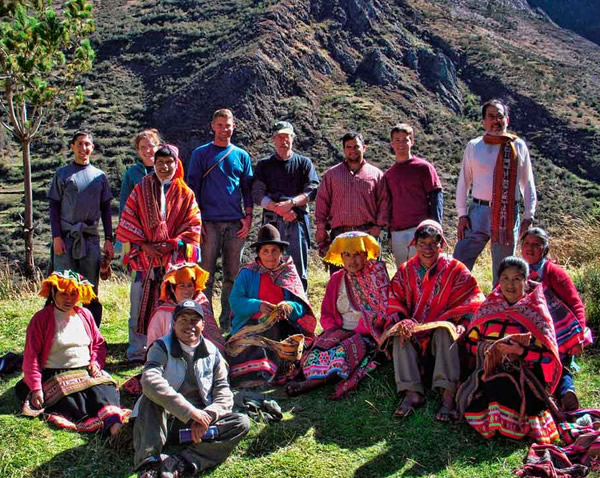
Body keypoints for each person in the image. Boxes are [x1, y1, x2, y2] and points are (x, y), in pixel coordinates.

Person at [133, 300, 250, 478]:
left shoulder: (212, 352)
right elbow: (149, 380)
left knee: (241, 423)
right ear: (174, 323)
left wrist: (207, 416)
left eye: (195, 320)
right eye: (183, 320)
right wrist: (190, 412)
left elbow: (224, 392)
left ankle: (181, 462)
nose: (190, 326)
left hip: (197, 427)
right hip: (164, 422)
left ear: (203, 324)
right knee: (151, 399)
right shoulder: (161, 347)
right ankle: (149, 463)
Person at [381, 220, 484, 421]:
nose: (427, 249)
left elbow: (473, 300)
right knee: (400, 332)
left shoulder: (456, 269)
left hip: (443, 336)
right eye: (422, 243)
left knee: (444, 330)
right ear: (415, 244)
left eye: (433, 244)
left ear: (441, 245)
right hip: (416, 331)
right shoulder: (406, 270)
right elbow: (395, 299)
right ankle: (412, 392)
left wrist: (462, 324)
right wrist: (403, 320)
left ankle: (448, 394)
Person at [457, 257, 562, 444]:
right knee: (490, 385)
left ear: (525, 281)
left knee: (504, 385)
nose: (510, 285)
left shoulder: (536, 312)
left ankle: (506, 427)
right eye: (505, 278)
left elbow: (548, 357)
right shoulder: (490, 308)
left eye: (516, 279)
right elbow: (470, 344)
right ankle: (497, 425)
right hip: (490, 369)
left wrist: (521, 352)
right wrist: (488, 349)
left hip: (526, 374)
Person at [116, 145, 202, 363]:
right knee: (139, 303)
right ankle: (137, 351)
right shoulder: (141, 189)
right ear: (153, 164)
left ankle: (172, 346)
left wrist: (174, 243)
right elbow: (128, 220)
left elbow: (193, 224)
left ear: (176, 163)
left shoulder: (185, 193)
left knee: (172, 303)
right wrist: (144, 245)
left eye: (169, 162)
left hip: (174, 259)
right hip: (146, 259)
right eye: (160, 162)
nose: (165, 167)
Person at [17, 270, 129, 435]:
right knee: (74, 401)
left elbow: (98, 344)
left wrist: (95, 364)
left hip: (86, 371)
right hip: (56, 372)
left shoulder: (85, 315)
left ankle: (115, 427)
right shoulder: (41, 319)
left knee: (104, 390)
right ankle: (111, 430)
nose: (69, 299)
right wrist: (36, 388)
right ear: (53, 292)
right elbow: (31, 357)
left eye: (74, 293)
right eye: (63, 293)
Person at [286, 232, 394, 399]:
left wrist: (356, 331)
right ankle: (310, 375)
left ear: (365, 254)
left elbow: (382, 312)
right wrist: (334, 332)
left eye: (357, 254)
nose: (352, 260)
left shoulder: (376, 276)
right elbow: (327, 313)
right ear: (341, 257)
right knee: (317, 350)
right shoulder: (337, 278)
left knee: (344, 352)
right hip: (339, 330)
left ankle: (310, 384)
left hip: (367, 334)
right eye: (347, 255)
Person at [453, 99, 537, 285]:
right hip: (477, 212)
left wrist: (528, 215)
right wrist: (462, 215)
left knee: (503, 269)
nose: (496, 121)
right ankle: (458, 304)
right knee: (460, 261)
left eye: (500, 116)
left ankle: (499, 309)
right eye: (491, 117)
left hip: (507, 214)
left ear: (507, 119)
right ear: (483, 121)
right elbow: (464, 181)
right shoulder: (474, 146)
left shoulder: (518, 146)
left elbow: (527, 182)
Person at [187, 109, 254, 332]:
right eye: (220, 125)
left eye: (228, 125)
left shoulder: (242, 156)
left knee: (233, 276)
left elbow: (247, 189)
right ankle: (205, 322)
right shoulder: (201, 154)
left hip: (235, 223)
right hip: (208, 223)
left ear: (234, 126)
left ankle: (229, 323)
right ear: (212, 126)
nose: (225, 129)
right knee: (205, 274)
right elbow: (192, 189)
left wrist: (249, 217)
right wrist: (196, 223)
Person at [225, 224, 316, 388]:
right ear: (258, 253)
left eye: (274, 250)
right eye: (265, 251)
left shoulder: (288, 272)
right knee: (251, 343)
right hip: (251, 324)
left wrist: (289, 307)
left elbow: (302, 307)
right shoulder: (247, 273)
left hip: (283, 326)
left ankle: (270, 373)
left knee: (285, 340)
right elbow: (236, 302)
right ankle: (255, 375)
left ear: (281, 252)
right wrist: (257, 306)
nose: (270, 256)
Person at [521, 227, 592, 410]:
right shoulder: (516, 269)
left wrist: (577, 338)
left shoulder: (553, 273)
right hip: (527, 328)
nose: (530, 248)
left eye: (536, 245)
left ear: (544, 249)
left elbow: (575, 304)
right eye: (526, 244)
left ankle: (566, 392)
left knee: (555, 358)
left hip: (556, 331)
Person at [48, 130, 114, 326]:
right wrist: (56, 237)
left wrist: (108, 240)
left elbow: (106, 209)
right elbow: (54, 207)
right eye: (79, 144)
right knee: (62, 286)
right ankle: (57, 332)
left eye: (87, 144)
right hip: (66, 239)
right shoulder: (62, 174)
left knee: (89, 289)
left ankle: (90, 333)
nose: (83, 148)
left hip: (90, 240)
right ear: (72, 147)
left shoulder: (99, 177)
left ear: (92, 148)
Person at [252, 121, 320, 291]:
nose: (284, 141)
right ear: (274, 140)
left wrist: (291, 204)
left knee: (298, 270)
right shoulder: (264, 165)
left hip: (297, 221)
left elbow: (313, 190)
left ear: (293, 138)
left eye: (287, 136)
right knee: (270, 267)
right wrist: (277, 208)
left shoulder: (304, 163)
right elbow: (257, 193)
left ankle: (300, 311)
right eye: (279, 137)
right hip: (272, 223)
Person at [315, 131, 389, 272]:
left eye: (356, 146)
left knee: (370, 281)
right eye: (348, 147)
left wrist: (378, 227)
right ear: (343, 149)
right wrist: (321, 228)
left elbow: (384, 203)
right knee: (340, 283)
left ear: (364, 148)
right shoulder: (332, 175)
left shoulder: (376, 174)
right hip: (340, 236)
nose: (352, 150)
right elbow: (322, 202)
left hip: (367, 235)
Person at [384, 123, 443, 266]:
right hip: (398, 232)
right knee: (403, 273)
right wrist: (389, 233)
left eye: (405, 139)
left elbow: (436, 197)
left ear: (412, 141)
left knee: (424, 270)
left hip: (420, 230)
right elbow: (388, 205)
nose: (401, 144)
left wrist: (436, 228)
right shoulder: (389, 175)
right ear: (392, 143)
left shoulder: (424, 168)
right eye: (397, 140)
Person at [146, 262, 225, 352]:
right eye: (181, 286)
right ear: (172, 289)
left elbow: (215, 345)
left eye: (190, 286)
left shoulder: (202, 309)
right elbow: (153, 345)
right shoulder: (162, 314)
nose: (186, 290)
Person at [119, 129, 162, 216]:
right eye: (143, 147)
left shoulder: (166, 171)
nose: (147, 151)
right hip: (139, 225)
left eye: (151, 146)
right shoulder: (131, 173)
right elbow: (124, 202)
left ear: (158, 147)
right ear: (138, 150)